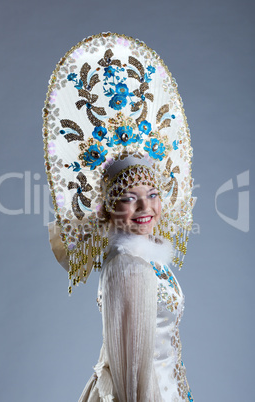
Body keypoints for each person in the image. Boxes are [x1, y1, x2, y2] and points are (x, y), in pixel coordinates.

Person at [44, 33, 194, 401]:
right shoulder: (128, 267)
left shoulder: (143, 257)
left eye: (153, 195)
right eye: (130, 198)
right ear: (109, 207)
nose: (146, 209)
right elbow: (130, 375)